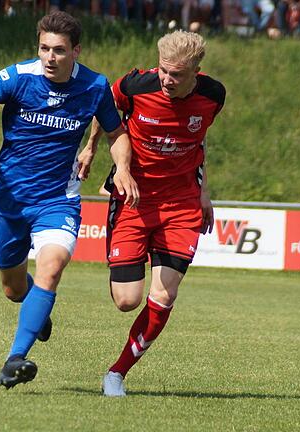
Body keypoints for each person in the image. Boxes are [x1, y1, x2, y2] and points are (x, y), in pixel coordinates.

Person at [0, 11, 138, 389]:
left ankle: (14, 359)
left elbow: (117, 133)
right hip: (11, 199)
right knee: (13, 288)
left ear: (76, 51)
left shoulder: (94, 86)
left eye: (59, 50)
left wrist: (122, 167)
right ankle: (36, 305)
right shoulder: (19, 77)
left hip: (58, 198)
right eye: (44, 49)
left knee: (52, 267)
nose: (50, 57)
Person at [87, 30, 225, 397]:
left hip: (181, 204)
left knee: (164, 295)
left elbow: (199, 140)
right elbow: (105, 107)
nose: (166, 79)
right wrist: (92, 150)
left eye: (176, 74)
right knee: (126, 300)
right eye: (164, 70)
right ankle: (127, 263)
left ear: (197, 71)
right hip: (134, 199)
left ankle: (116, 373)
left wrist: (204, 192)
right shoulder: (136, 85)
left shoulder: (213, 95)